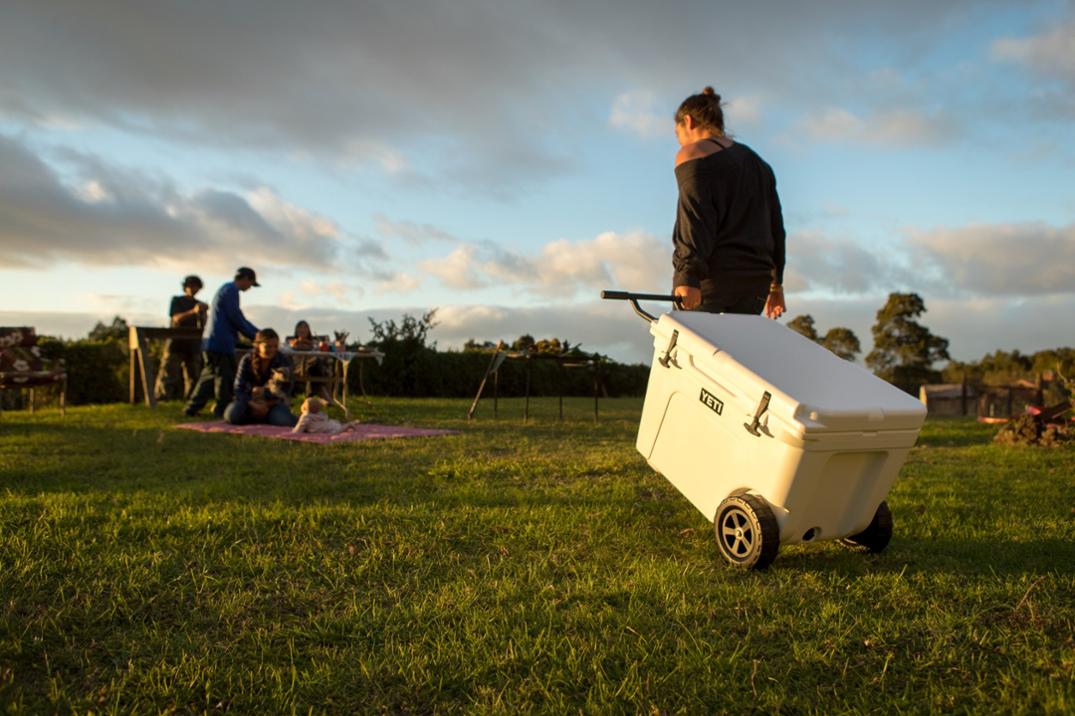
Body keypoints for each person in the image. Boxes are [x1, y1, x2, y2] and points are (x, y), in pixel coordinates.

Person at [671, 87, 786, 319]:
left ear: (688, 121)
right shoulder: (759, 164)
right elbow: (776, 229)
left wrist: (687, 276)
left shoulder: (693, 153)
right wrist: (777, 285)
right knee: (734, 353)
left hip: (712, 281)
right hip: (756, 285)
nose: (680, 142)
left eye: (678, 134)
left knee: (686, 353)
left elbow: (694, 220)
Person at [183, 267, 260, 417]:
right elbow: (236, 317)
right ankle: (221, 410)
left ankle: (192, 408)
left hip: (213, 341)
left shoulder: (226, 289)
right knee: (224, 378)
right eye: (250, 283)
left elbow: (236, 317)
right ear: (244, 278)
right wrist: (256, 335)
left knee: (210, 376)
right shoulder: (231, 290)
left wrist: (256, 334)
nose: (249, 287)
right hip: (220, 342)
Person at [224, 328, 297, 426]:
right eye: (267, 346)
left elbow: (286, 389)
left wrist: (266, 401)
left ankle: (267, 416)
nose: (272, 350)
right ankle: (257, 417)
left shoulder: (282, 360)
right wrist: (253, 404)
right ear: (258, 346)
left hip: (272, 404)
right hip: (249, 402)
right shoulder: (247, 360)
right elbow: (238, 388)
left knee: (283, 420)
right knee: (232, 415)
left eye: (275, 346)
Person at [154, 275, 208, 401]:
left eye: (197, 287)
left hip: (193, 344)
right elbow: (176, 318)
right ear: (185, 287)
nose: (194, 289)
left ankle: (191, 400)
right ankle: (163, 399)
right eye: (191, 286)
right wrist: (193, 312)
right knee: (169, 373)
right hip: (176, 342)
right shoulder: (177, 300)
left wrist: (204, 313)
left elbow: (204, 326)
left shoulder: (198, 304)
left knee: (193, 376)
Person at [288, 319, 331, 399]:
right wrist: (297, 345)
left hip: (313, 368)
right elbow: (288, 353)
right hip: (299, 369)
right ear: (296, 330)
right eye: (300, 327)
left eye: (305, 327)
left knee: (316, 363)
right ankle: (320, 392)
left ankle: (313, 394)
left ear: (308, 330)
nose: (302, 330)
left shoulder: (314, 343)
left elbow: (321, 354)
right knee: (316, 362)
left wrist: (312, 346)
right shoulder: (292, 343)